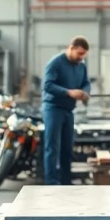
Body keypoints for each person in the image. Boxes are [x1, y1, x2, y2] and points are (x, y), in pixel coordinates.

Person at [41, 36, 91, 186]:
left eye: (83, 55)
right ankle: (51, 182)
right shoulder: (55, 63)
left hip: (68, 110)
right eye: (79, 54)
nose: (81, 57)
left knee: (67, 147)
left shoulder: (81, 66)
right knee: (52, 147)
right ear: (71, 48)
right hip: (53, 108)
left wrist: (84, 92)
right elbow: (47, 85)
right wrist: (68, 92)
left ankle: (65, 181)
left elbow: (86, 82)